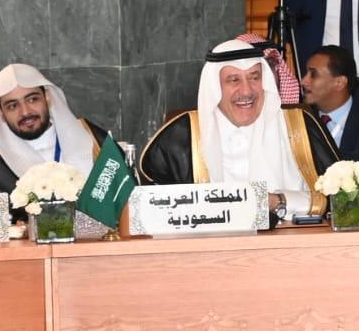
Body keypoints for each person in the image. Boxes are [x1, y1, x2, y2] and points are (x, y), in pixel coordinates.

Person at [140, 41, 339, 220]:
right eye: (233, 80)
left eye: (254, 78)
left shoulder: (299, 125)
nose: (247, 91)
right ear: (214, 87)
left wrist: (277, 201)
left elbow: (342, 196)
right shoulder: (181, 135)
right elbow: (153, 209)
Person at [0, 65, 115, 218]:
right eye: (13, 106)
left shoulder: (92, 139)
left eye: (32, 99)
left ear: (48, 98)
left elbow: (125, 198)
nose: (25, 112)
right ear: (1, 113)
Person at [301, 45, 359, 209]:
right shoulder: (300, 123)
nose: (303, 81)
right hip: (308, 214)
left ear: (339, 82)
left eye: (313, 74)